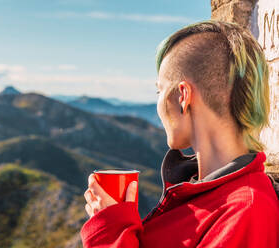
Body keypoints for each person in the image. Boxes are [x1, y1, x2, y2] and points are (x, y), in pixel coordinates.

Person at [80, 20, 279, 248]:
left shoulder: (245, 212)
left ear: (182, 96)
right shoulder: (212, 198)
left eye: (159, 90)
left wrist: (110, 233)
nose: (158, 102)